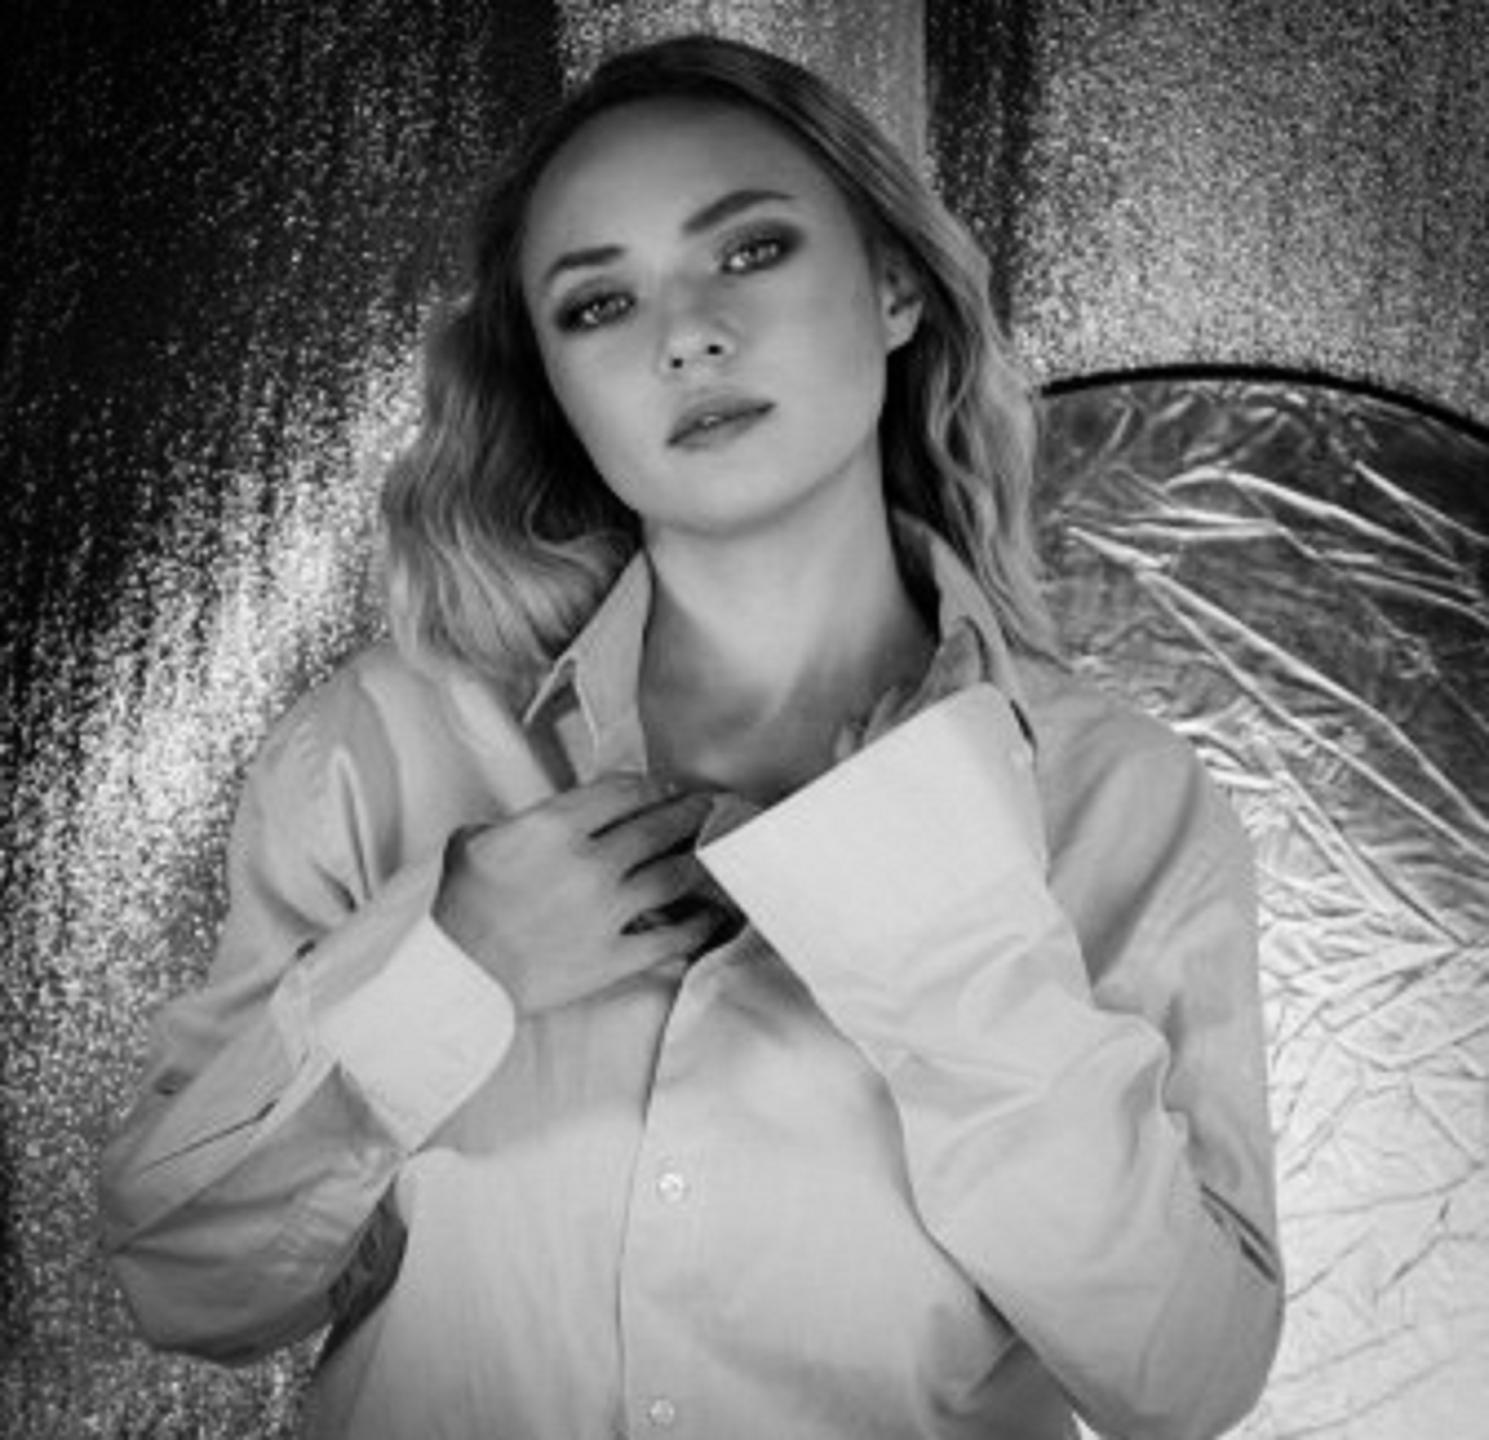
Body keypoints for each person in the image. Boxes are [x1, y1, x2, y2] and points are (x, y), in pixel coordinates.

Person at [100, 32, 1283, 1440]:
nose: (686, 335)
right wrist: (444, 971)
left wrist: (944, 933)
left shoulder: (1115, 798)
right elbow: (187, 1285)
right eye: (599, 304)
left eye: (750, 250)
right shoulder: (380, 750)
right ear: (554, 385)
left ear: (894, 286)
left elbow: (1184, 1380)